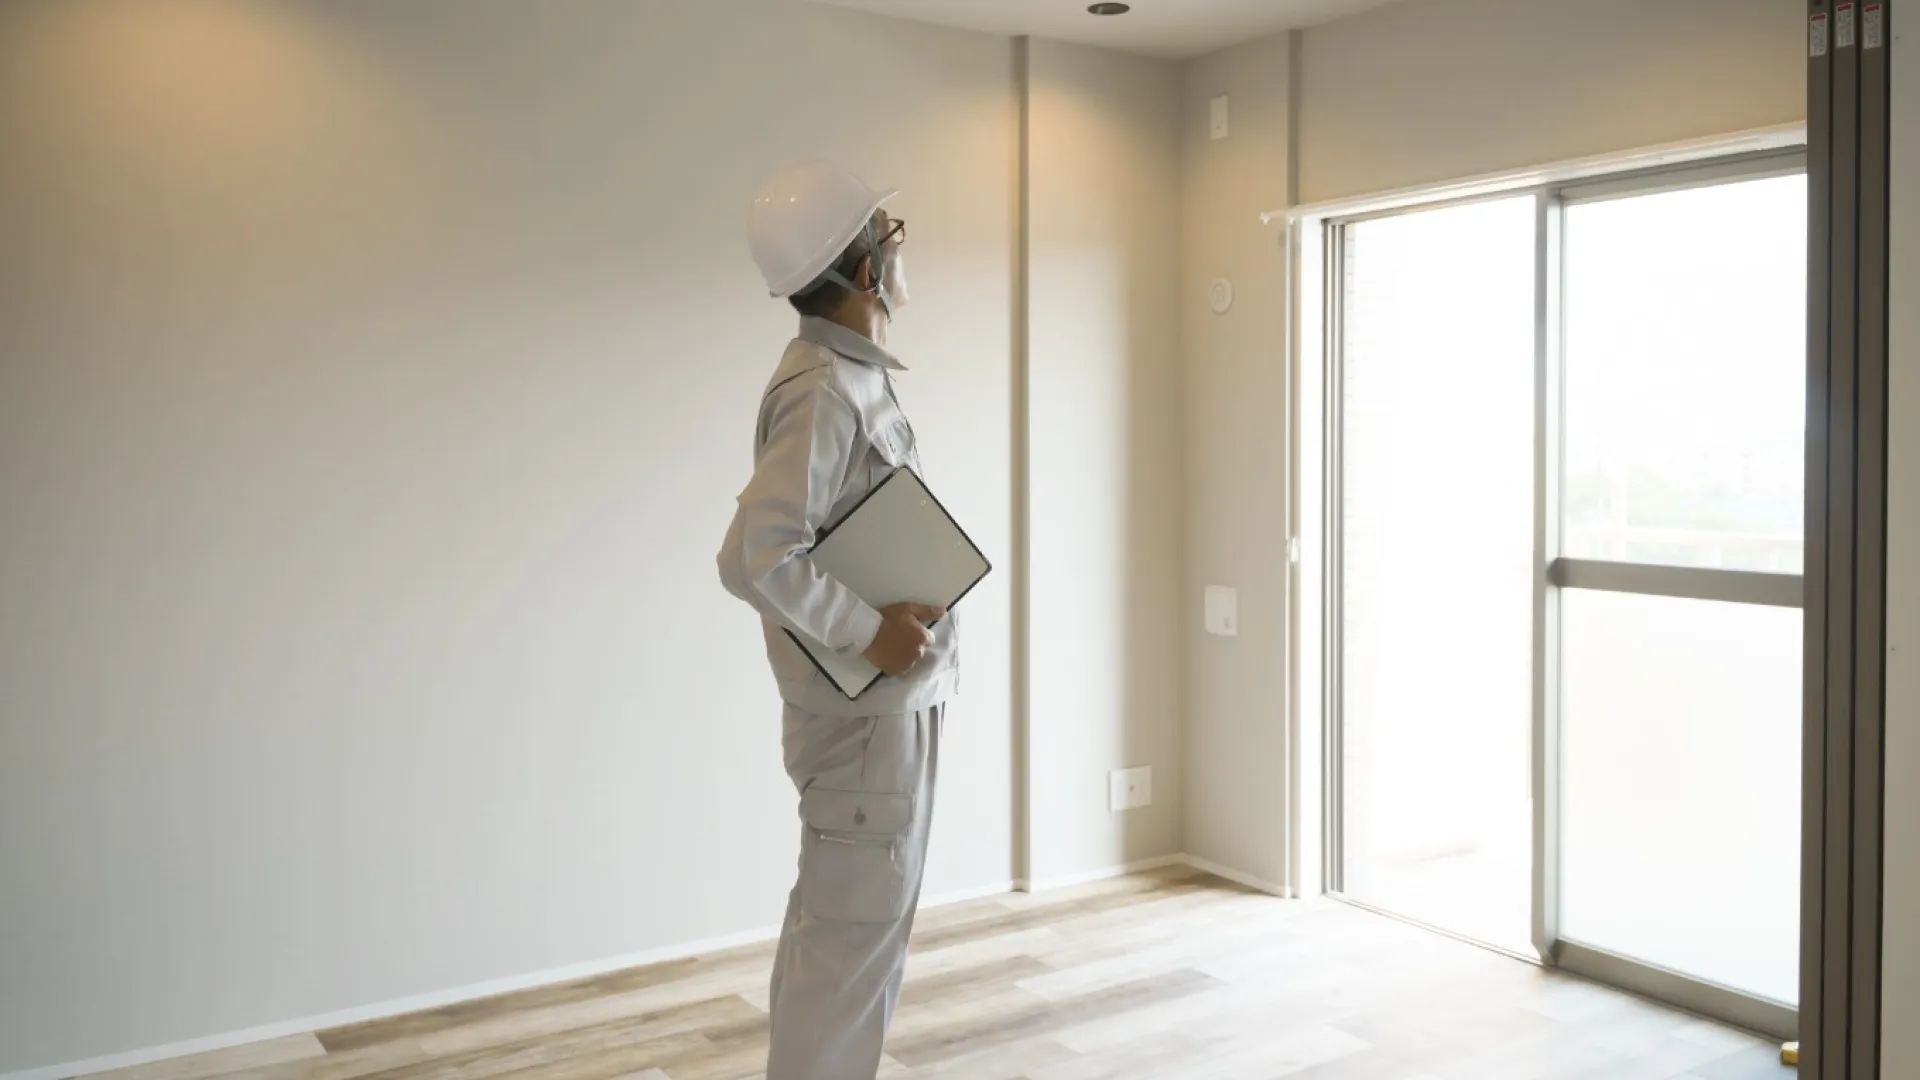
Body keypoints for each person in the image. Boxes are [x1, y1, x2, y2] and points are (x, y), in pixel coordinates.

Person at [717, 160, 958, 1080]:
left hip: (883, 718)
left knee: (850, 939)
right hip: (863, 726)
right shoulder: (823, 388)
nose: (902, 252)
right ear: (865, 272)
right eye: (890, 236)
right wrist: (870, 634)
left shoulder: (847, 376)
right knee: (847, 950)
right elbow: (754, 555)